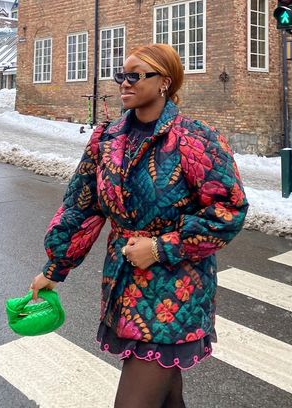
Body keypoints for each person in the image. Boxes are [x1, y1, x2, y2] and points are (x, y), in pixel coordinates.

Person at [30, 43, 248, 408]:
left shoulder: (195, 139)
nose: (124, 83)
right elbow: (82, 207)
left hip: (176, 287)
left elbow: (229, 210)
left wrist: (162, 247)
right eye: (121, 75)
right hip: (124, 283)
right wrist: (55, 266)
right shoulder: (107, 139)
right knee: (165, 395)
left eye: (135, 75)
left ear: (164, 82)